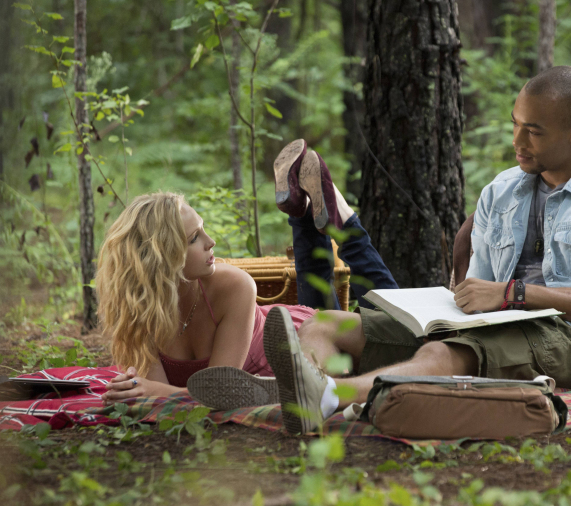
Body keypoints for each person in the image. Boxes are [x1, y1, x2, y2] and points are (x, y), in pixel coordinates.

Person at [216, 65, 571, 435]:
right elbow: (480, 299)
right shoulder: (502, 191)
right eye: (515, 124)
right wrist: (460, 303)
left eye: (534, 132)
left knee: (443, 354)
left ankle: (328, 394)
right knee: (326, 324)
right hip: (491, 326)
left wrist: (513, 294)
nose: (518, 142)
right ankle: (310, 389)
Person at [96, 139, 397, 405]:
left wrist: (156, 391)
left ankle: (337, 217)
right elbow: (149, 391)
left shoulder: (234, 285)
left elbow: (218, 391)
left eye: (203, 230)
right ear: (162, 259)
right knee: (386, 318)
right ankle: (306, 208)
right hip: (302, 347)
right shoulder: (138, 309)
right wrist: (137, 390)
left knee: (402, 322)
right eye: (194, 238)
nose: (210, 242)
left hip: (300, 338)